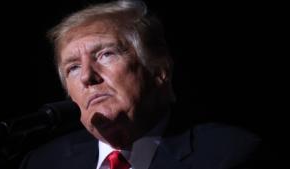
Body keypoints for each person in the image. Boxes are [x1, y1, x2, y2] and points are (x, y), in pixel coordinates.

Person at [20, 0, 263, 169]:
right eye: (72, 67)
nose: (86, 76)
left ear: (159, 71)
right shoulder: (43, 163)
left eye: (106, 54)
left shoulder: (227, 155)